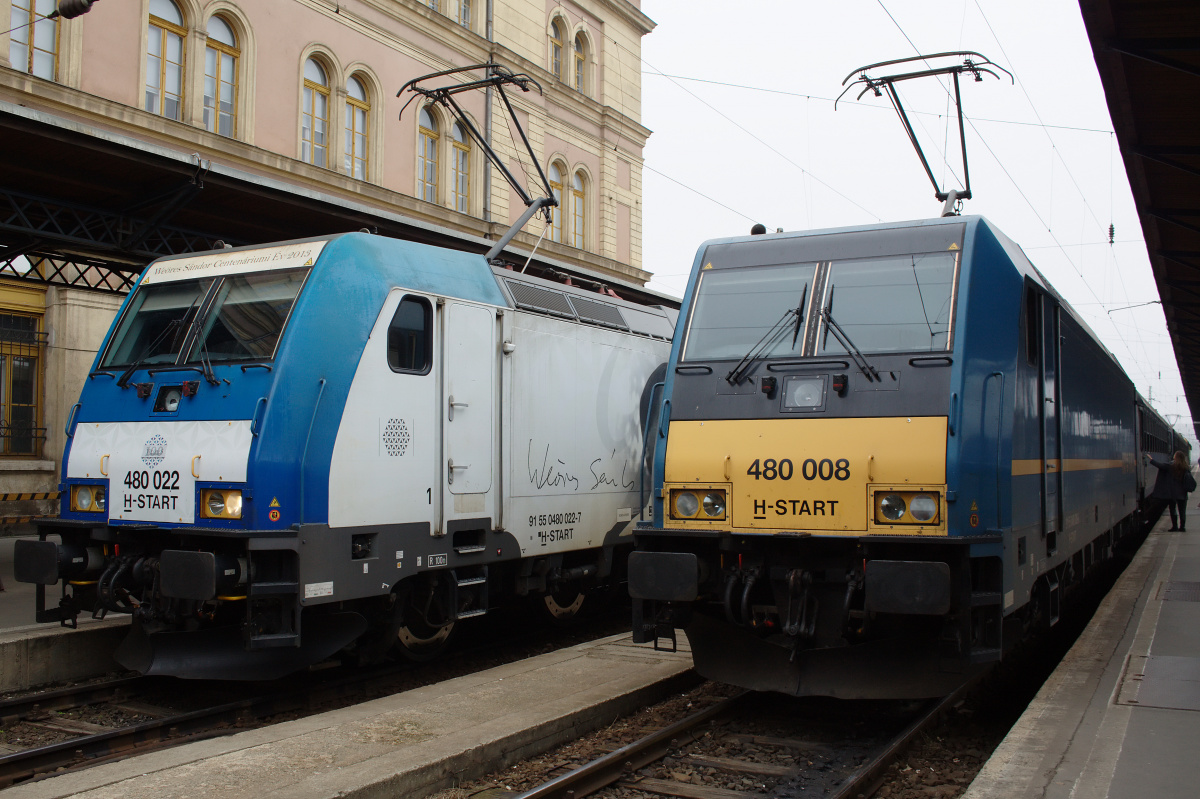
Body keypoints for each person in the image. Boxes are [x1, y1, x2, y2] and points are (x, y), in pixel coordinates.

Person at [1145, 450, 1195, 531]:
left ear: (1175, 457)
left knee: (1173, 510)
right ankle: (1182, 527)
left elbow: (1159, 465)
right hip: (1182, 493)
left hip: (1172, 493)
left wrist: (1151, 459)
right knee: (1182, 511)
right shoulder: (1186, 467)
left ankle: (1174, 526)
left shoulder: (1171, 466)